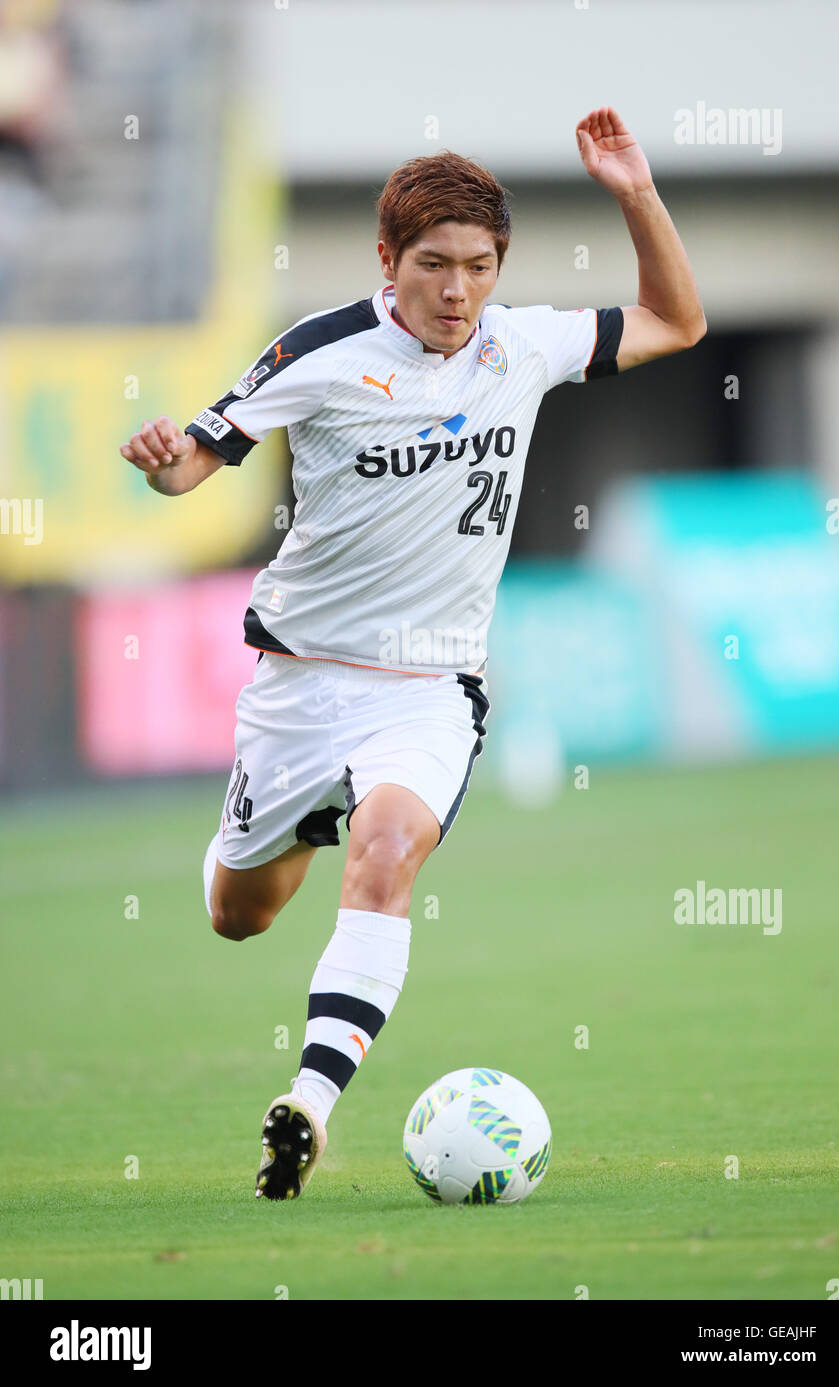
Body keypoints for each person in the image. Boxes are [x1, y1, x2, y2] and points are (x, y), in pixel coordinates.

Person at [120, 108, 706, 1201]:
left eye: (478, 267)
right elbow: (192, 465)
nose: (455, 291)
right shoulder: (321, 352)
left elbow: (677, 319)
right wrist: (160, 459)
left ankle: (308, 1104)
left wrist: (632, 190)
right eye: (432, 265)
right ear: (386, 261)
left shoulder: (518, 344)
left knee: (385, 855)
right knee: (238, 915)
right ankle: (273, 828)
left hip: (431, 689)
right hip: (299, 687)